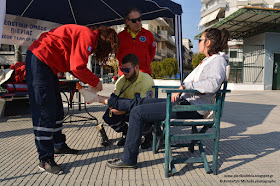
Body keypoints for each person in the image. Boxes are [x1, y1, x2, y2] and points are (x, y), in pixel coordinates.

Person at [81, 28, 230, 169]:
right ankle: (102, 99)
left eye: (200, 40)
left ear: (208, 43)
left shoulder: (217, 61)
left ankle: (128, 159)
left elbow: (212, 85)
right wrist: (184, 88)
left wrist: (184, 86)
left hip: (190, 108)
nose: (198, 43)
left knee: (137, 112)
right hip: (184, 103)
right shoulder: (211, 60)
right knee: (139, 104)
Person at [25, 24, 119, 174]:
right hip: (40, 60)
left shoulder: (87, 36)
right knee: (45, 112)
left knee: (56, 110)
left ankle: (58, 145)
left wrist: (88, 82)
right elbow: (77, 66)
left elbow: (71, 64)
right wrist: (95, 81)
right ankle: (45, 159)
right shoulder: (88, 36)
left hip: (48, 65)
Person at [103, 54, 155, 149]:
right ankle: (127, 133)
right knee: (108, 116)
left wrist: (123, 109)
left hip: (143, 110)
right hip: (126, 109)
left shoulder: (146, 80)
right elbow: (115, 100)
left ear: (136, 68)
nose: (124, 73)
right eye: (122, 70)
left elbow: (143, 105)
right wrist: (113, 106)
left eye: (127, 70)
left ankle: (148, 136)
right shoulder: (121, 81)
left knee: (141, 115)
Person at [117, 8, 156, 76]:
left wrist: (145, 63)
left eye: (139, 19)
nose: (137, 22)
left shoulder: (148, 34)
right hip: (125, 73)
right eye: (134, 20)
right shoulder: (120, 36)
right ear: (127, 21)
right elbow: (117, 54)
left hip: (144, 73)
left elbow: (152, 51)